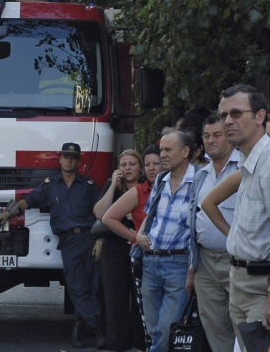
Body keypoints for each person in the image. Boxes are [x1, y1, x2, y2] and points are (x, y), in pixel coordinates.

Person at [0, 142, 104, 349]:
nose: (69, 160)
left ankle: (78, 332)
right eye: (66, 156)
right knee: (77, 287)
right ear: (60, 160)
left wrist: (100, 239)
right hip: (69, 241)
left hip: (89, 239)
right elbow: (30, 200)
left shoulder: (88, 185)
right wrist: (8, 212)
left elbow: (99, 213)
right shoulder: (50, 184)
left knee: (93, 286)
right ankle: (97, 328)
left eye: (73, 157)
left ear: (78, 161)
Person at [203, 84, 270, 350]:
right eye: (223, 115)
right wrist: (236, 238)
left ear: (260, 116)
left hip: (260, 288)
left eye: (236, 113)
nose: (228, 120)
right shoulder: (247, 161)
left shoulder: (267, 163)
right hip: (240, 283)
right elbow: (207, 203)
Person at [135, 128, 196, 352]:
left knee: (167, 327)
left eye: (168, 149)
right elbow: (150, 215)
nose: (162, 155)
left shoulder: (199, 179)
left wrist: (192, 269)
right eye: (161, 149)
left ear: (185, 151)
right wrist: (141, 235)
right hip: (151, 261)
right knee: (153, 329)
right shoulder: (161, 179)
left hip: (178, 264)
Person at [184, 115, 240, 351]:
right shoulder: (200, 175)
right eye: (206, 136)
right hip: (205, 262)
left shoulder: (246, 168)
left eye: (217, 135)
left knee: (244, 326)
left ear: (229, 136)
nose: (211, 140)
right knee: (214, 326)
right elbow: (192, 223)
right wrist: (192, 269)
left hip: (236, 261)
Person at [92, 149, 145, 351]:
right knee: (115, 300)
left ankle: (140, 343)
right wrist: (113, 185)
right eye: (124, 165)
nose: (128, 168)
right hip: (114, 249)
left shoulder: (146, 187)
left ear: (139, 167)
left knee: (139, 298)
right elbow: (99, 213)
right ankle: (117, 344)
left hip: (138, 249)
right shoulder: (113, 186)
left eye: (132, 164)